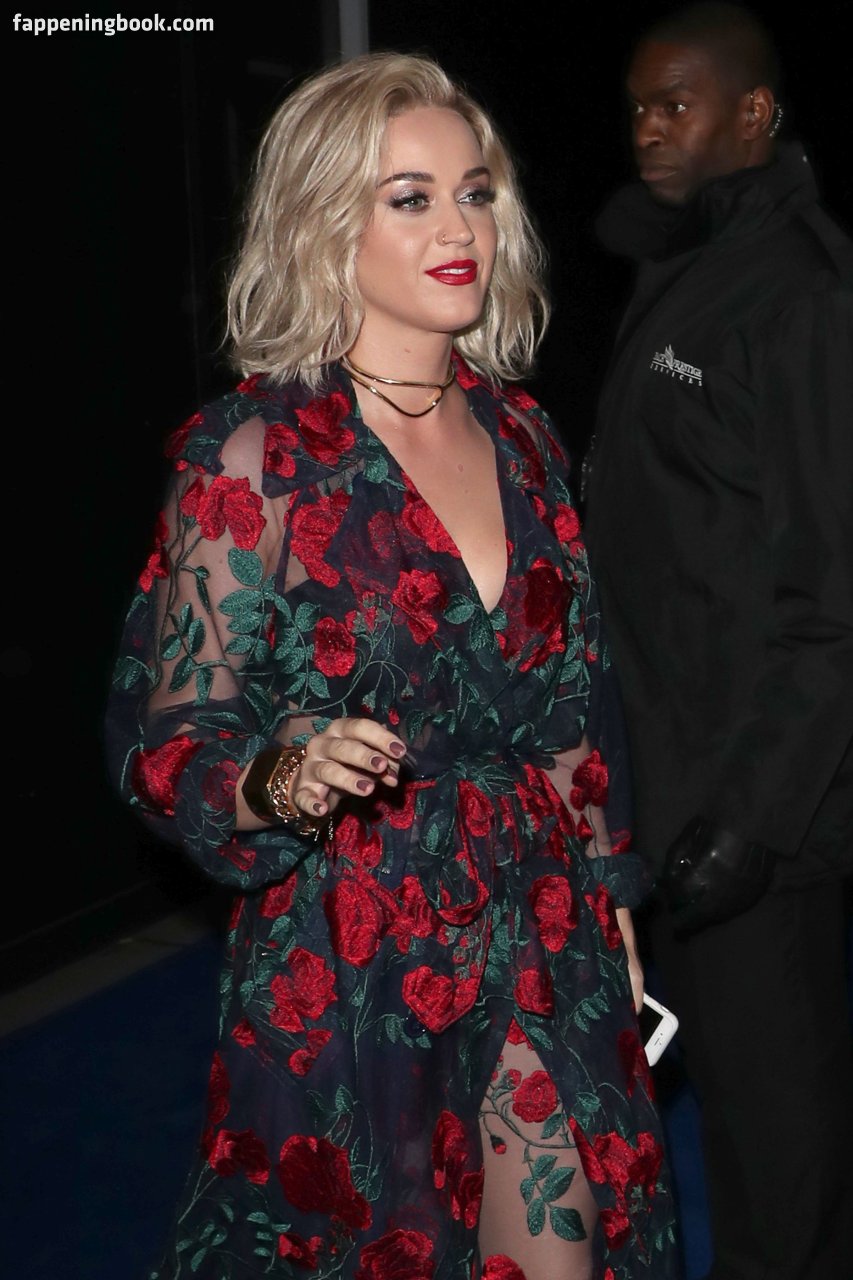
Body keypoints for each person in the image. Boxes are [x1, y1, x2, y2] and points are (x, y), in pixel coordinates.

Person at [107, 51, 679, 1280]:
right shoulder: (253, 455)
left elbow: (574, 704)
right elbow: (168, 744)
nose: (458, 227)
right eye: (409, 198)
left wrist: (613, 901)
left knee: (561, 1245)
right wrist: (286, 774)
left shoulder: (521, 433)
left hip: (539, 919)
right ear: (325, 222)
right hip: (354, 943)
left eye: (474, 193)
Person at [582, 4, 853, 1278]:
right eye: (638, 105)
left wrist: (747, 821)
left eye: (676, 103)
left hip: (757, 821)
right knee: (735, 1127)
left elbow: (834, 592)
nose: (648, 128)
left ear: (753, 113)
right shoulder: (691, 259)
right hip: (673, 788)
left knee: (785, 1151)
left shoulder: (800, 293)